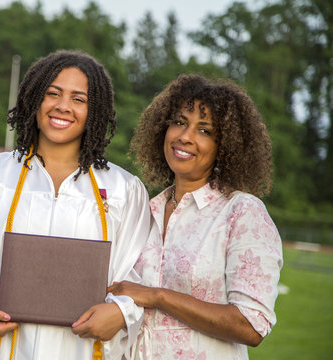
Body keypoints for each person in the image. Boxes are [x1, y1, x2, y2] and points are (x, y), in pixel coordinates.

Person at [0, 50, 151, 360]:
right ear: (34, 99)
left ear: (94, 111)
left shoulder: (124, 190)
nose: (63, 106)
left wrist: (120, 313)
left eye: (78, 99)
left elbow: (136, 278)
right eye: (52, 93)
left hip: (79, 349)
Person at [108, 74, 283, 359]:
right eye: (179, 122)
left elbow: (251, 325)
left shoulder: (241, 213)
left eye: (204, 130)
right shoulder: (142, 211)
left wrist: (156, 296)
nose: (185, 137)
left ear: (225, 147)